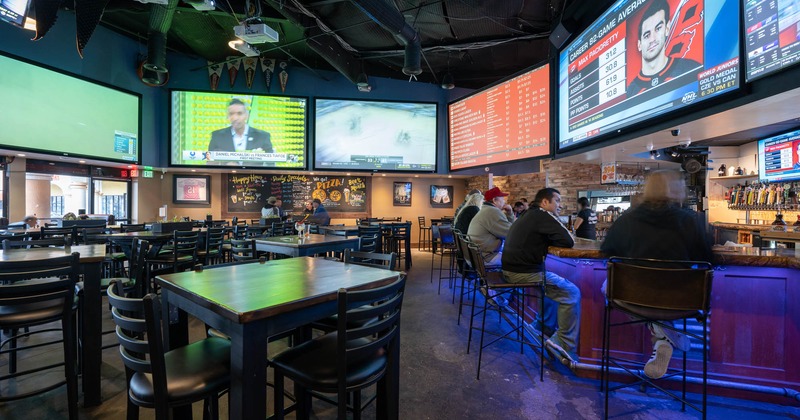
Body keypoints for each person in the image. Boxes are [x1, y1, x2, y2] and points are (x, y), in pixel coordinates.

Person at [601, 170, 712, 379]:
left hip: (631, 298)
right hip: (681, 299)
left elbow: (607, 252)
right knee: (659, 300)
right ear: (675, 191)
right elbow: (708, 259)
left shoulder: (627, 220)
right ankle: (668, 336)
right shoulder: (690, 220)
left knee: (607, 287)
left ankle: (662, 335)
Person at [502, 188, 580, 365]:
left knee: (552, 287)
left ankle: (542, 327)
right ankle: (563, 345)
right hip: (522, 273)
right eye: (557, 201)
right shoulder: (542, 215)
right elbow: (568, 240)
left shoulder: (527, 215)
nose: (560, 205)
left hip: (511, 270)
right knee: (571, 292)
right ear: (545, 202)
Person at [626, 0, 702, 98]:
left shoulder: (691, 68)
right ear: (639, 45)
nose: (652, 39)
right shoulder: (630, 92)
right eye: (646, 35)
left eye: (658, 29)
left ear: (667, 29)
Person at [466, 186, 515, 268]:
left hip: (476, 256)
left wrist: (509, 213)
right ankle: (513, 280)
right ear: (494, 200)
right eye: (502, 199)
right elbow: (511, 233)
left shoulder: (485, 209)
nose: (504, 201)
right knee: (521, 259)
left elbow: (509, 230)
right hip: (485, 258)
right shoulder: (493, 212)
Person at [208, 98, 274, 153]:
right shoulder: (217, 136)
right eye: (231, 114)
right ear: (228, 116)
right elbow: (209, 162)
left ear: (246, 115)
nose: (235, 118)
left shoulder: (262, 136)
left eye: (239, 113)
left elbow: (271, 163)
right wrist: (226, 164)